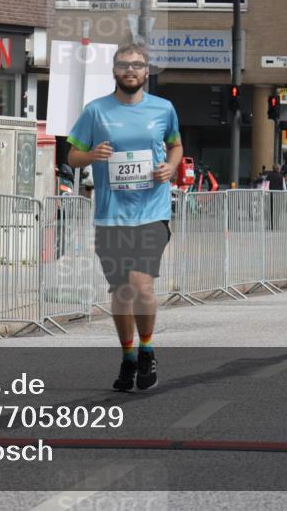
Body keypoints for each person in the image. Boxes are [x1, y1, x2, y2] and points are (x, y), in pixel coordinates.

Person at [66, 43, 182, 392]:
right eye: (123, 65)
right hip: (111, 216)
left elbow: (176, 145)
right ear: (114, 71)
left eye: (138, 65)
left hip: (152, 211)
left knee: (141, 284)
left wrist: (171, 168)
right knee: (120, 290)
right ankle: (128, 355)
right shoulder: (96, 111)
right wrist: (91, 155)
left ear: (147, 72)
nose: (130, 70)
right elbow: (72, 156)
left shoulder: (163, 109)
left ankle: (147, 350)